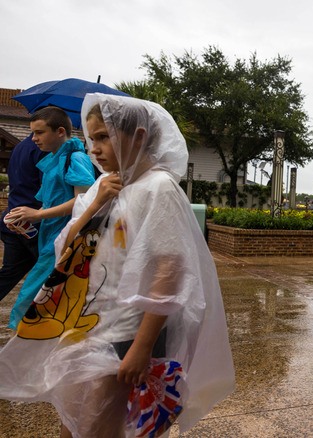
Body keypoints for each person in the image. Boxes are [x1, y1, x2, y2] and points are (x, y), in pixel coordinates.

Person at [0, 93, 235, 437]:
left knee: (102, 421)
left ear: (138, 136)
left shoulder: (158, 188)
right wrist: (96, 202)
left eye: (103, 137)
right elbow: (66, 246)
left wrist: (141, 347)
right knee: (74, 414)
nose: (94, 148)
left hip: (128, 331)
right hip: (89, 322)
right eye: (90, 138)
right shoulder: (103, 185)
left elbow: (168, 269)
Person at [5, 107, 95, 328]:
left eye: (39, 132)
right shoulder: (54, 160)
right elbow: (52, 202)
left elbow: (83, 202)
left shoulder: (76, 158)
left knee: (28, 300)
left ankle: (18, 350)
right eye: (33, 133)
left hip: (63, 241)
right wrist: (30, 221)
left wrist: (37, 214)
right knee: (45, 301)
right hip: (49, 240)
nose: (33, 139)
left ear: (60, 131)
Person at [0, 134, 47, 302]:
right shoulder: (44, 148)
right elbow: (47, 190)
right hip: (35, 221)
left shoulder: (21, 146)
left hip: (13, 216)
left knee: (9, 274)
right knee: (51, 272)